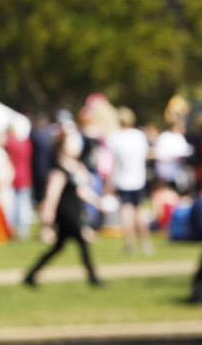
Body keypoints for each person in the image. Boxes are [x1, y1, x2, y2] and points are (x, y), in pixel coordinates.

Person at [22, 133, 103, 288]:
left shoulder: (75, 166)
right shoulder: (58, 169)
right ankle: (93, 278)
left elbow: (82, 190)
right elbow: (52, 195)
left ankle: (31, 275)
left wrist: (98, 202)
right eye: (71, 143)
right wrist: (47, 219)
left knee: (58, 248)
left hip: (74, 210)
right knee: (82, 242)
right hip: (66, 212)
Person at [107, 107, 153, 257]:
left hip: (123, 179)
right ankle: (145, 243)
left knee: (127, 212)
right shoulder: (139, 136)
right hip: (138, 179)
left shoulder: (116, 138)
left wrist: (109, 183)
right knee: (139, 211)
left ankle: (130, 244)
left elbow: (113, 162)